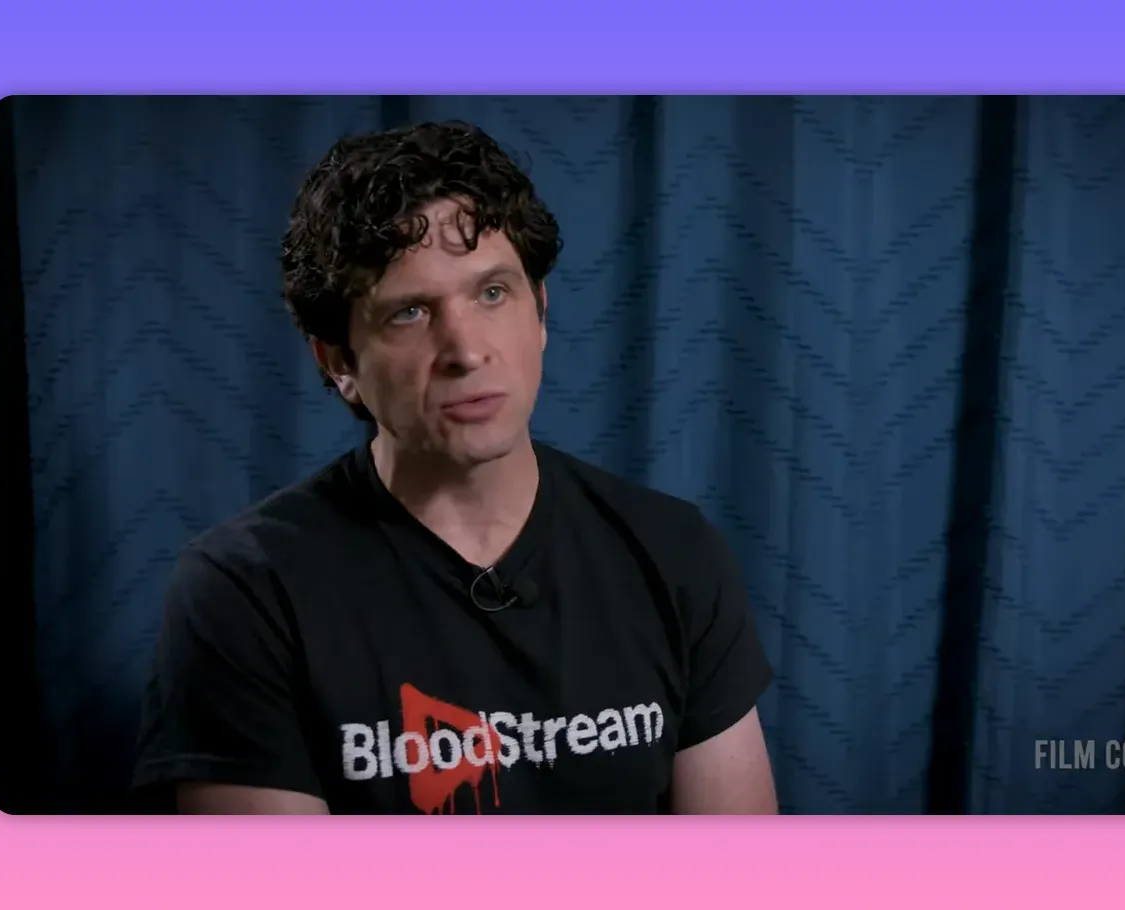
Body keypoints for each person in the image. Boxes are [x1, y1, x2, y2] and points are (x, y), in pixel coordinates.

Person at [131, 121, 778, 815]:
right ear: (339, 361)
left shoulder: (672, 551)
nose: (466, 351)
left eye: (492, 293)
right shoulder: (246, 591)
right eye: (410, 312)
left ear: (541, 312)